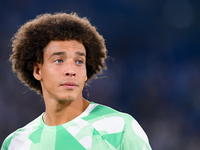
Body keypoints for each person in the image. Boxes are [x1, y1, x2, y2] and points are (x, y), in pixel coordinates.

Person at [1, 12, 152, 150]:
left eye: (79, 61)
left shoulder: (119, 128)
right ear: (38, 70)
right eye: (59, 60)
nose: (71, 70)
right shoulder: (16, 143)